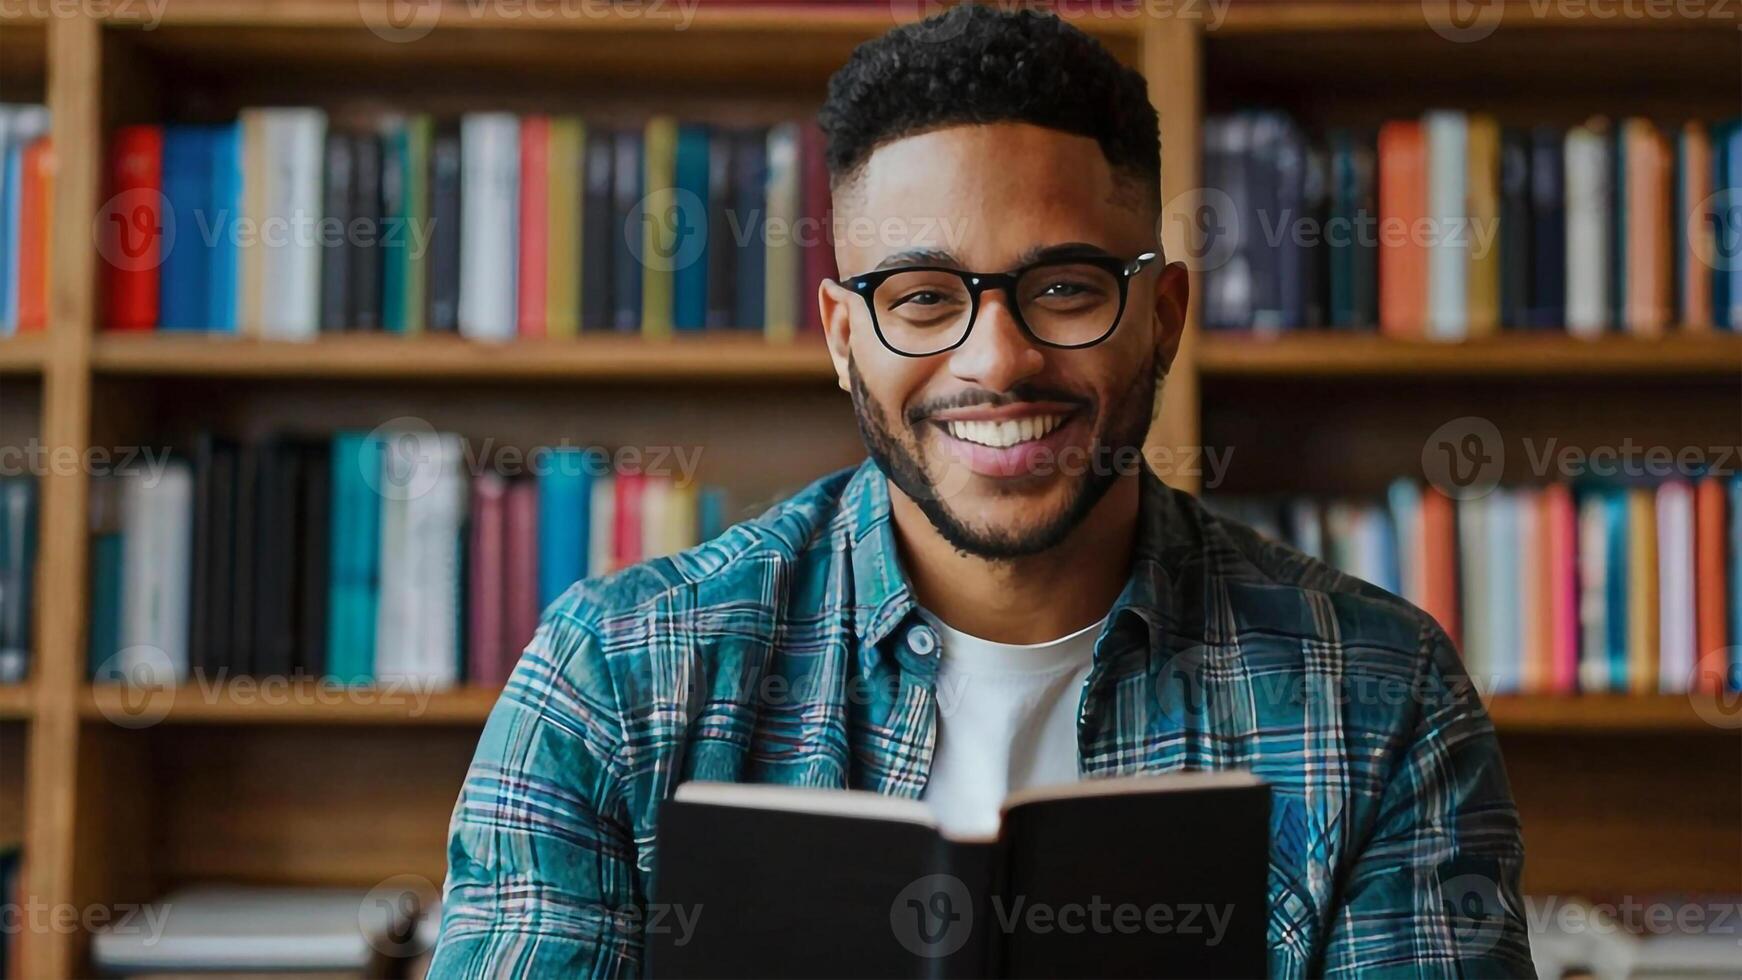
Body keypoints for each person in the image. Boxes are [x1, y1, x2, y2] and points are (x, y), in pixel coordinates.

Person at [428, 6, 1531, 976]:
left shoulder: (1377, 693)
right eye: (919, 297)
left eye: (1061, 286)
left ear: (1163, 315)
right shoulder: (616, 678)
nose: (994, 362)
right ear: (842, 335)